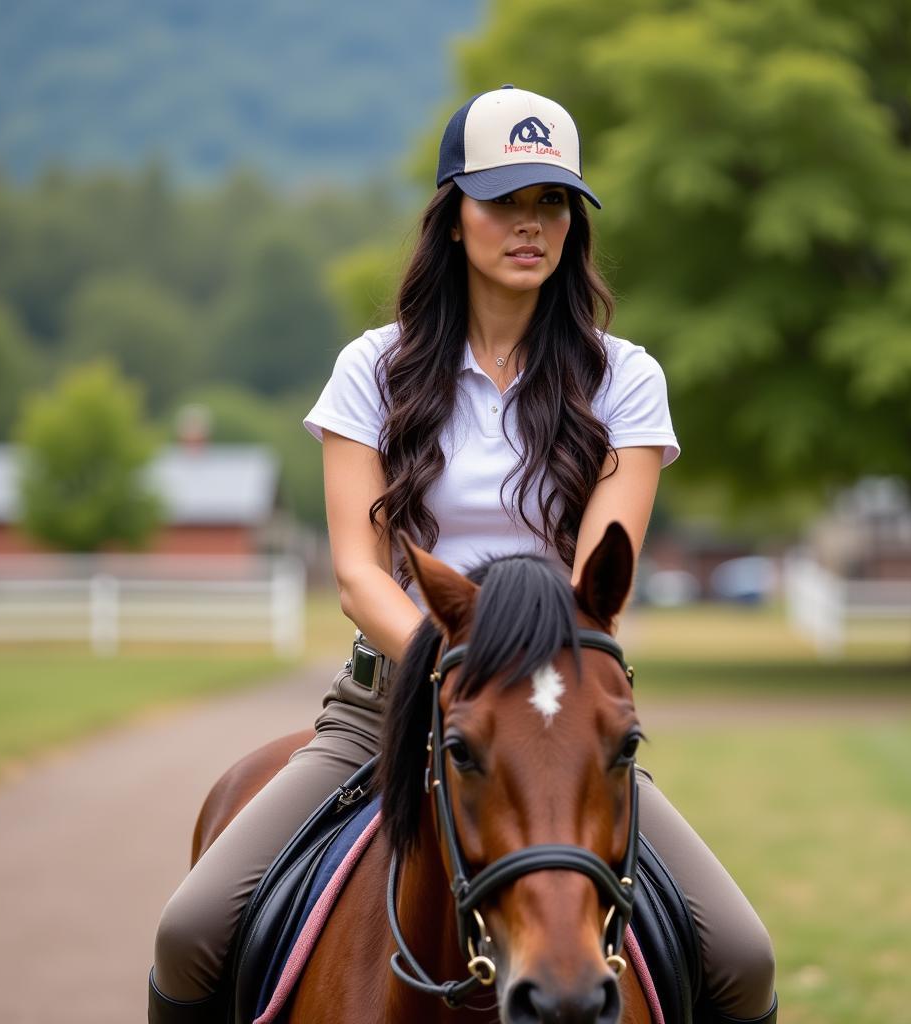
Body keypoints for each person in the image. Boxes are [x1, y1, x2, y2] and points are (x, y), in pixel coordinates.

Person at [149, 85, 777, 1024]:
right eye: (505, 200)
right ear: (453, 218)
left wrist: (516, 688)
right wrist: (452, 672)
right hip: (383, 709)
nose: (531, 225)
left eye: (552, 202)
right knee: (190, 934)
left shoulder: (627, 380)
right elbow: (362, 573)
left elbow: (600, 575)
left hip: (557, 727)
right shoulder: (373, 368)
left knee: (742, 956)